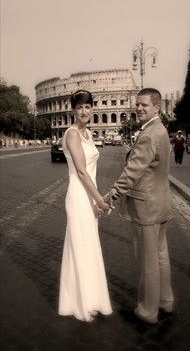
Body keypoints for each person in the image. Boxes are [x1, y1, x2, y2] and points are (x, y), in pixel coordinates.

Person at [102, 88, 174, 324]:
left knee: (147, 261)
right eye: (138, 104)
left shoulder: (149, 134)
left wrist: (113, 194)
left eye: (144, 104)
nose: (139, 108)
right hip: (160, 204)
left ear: (157, 107)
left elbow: (133, 171)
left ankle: (147, 311)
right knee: (160, 257)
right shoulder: (161, 130)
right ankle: (165, 302)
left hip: (146, 206)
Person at [59, 89, 114, 322]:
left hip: (89, 197)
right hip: (79, 197)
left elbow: (90, 171)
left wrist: (98, 198)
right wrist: (100, 200)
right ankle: (81, 302)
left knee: (89, 246)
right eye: (80, 107)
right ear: (73, 110)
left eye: (88, 107)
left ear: (93, 109)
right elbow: (81, 171)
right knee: (82, 246)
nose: (84, 111)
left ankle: (88, 298)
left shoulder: (89, 134)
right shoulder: (72, 134)